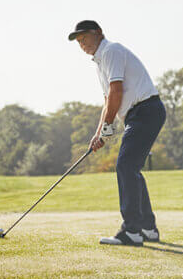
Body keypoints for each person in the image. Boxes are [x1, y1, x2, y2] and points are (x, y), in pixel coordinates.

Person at [68, 19, 166, 247]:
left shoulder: (111, 51)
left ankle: (131, 231)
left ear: (98, 33)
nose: (82, 44)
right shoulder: (100, 61)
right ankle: (148, 228)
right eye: (79, 41)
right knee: (131, 167)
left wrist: (108, 126)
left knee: (125, 166)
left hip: (145, 110)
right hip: (141, 113)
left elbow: (116, 91)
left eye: (85, 37)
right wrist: (99, 134)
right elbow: (107, 100)